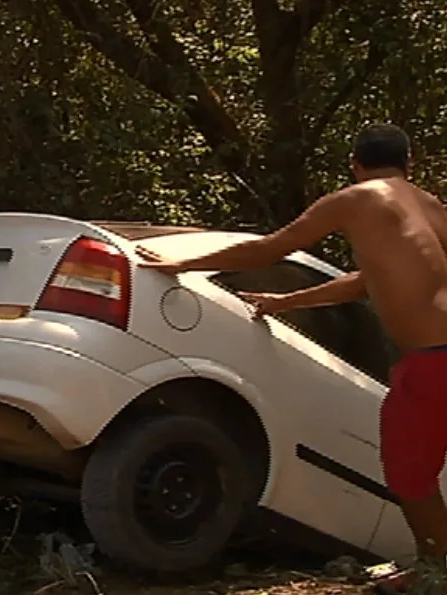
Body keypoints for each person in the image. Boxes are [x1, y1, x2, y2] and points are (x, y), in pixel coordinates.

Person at [137, 123, 447, 591]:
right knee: (414, 467)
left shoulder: (356, 199)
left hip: (431, 361)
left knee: (408, 472)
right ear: (410, 163)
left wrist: (182, 264)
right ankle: (434, 565)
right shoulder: (430, 207)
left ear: (355, 164)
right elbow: (363, 281)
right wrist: (285, 303)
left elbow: (272, 246)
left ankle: (435, 567)